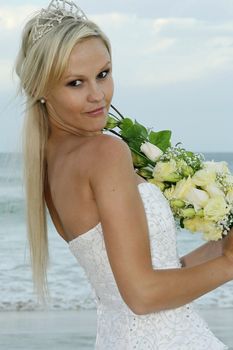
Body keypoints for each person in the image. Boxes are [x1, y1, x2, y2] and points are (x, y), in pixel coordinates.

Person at [15, 0, 233, 349]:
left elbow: (155, 276)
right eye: (75, 83)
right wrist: (227, 265)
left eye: (103, 74)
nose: (97, 95)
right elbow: (143, 296)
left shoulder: (51, 166)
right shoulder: (104, 152)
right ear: (41, 89)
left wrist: (221, 247)